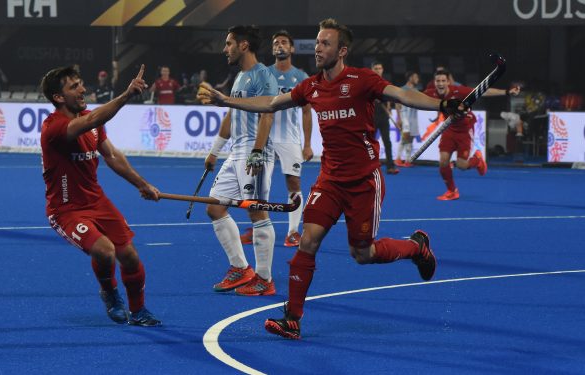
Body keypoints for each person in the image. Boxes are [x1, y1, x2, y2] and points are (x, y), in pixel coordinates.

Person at [198, 19, 468, 339]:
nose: (317, 48)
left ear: (341, 51)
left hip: (364, 181)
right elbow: (270, 103)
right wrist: (225, 100)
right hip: (330, 180)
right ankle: (292, 318)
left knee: (362, 254)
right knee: (308, 241)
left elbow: (403, 94)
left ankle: (415, 247)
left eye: (325, 43)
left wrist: (442, 105)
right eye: (316, 42)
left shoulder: (362, 80)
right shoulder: (311, 86)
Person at [39, 64, 161, 326]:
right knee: (105, 251)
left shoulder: (91, 121)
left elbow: (112, 156)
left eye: (81, 82)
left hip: (97, 201)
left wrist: (142, 184)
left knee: (129, 256)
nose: (83, 89)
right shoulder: (54, 128)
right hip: (66, 209)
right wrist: (127, 94)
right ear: (58, 98)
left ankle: (139, 311)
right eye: (74, 87)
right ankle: (109, 292)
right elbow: (92, 120)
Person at [204, 25, 279, 296]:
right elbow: (229, 117)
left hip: (254, 152)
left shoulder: (263, 75)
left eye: (228, 44)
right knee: (214, 207)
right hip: (235, 152)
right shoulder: (238, 78)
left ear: (243, 45)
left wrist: (258, 151)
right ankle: (241, 268)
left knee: (256, 211)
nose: (225, 49)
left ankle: (264, 279)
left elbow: (268, 113)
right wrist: (214, 151)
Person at [241, 30, 313, 248]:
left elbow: (307, 112)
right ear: (272, 49)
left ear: (291, 49)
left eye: (284, 42)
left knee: (293, 182)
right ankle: (258, 228)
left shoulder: (301, 78)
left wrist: (307, 144)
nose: (279, 45)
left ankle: (292, 232)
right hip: (266, 137)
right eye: (276, 43)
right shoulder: (263, 74)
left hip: (290, 139)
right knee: (259, 184)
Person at [424, 70, 519, 200]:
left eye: (443, 81)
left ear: (448, 82)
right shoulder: (431, 93)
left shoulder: (458, 91)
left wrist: (507, 92)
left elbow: (483, 91)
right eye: (438, 81)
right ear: (434, 83)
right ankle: (452, 191)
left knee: (462, 165)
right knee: (443, 162)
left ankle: (478, 160)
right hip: (449, 129)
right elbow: (413, 97)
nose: (440, 84)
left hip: (464, 129)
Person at [371, 61, 399, 174]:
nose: (378, 70)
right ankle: (368, 167)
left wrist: (384, 100)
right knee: (370, 142)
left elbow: (390, 97)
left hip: (383, 117)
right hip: (371, 116)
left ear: (382, 70)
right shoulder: (368, 83)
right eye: (376, 68)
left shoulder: (386, 83)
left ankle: (390, 166)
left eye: (380, 68)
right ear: (372, 69)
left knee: (387, 142)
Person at [395, 71, 421, 167]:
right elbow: (397, 104)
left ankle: (407, 160)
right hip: (404, 117)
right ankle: (398, 159)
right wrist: (398, 118)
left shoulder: (417, 91)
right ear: (410, 78)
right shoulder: (402, 89)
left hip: (413, 118)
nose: (418, 79)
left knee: (410, 139)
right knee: (405, 137)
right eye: (416, 77)